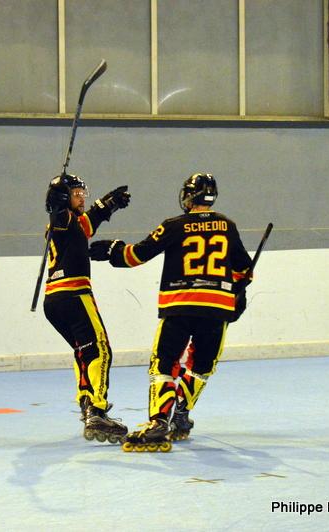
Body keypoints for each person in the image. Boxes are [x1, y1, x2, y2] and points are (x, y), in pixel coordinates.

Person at [89, 173, 253, 451]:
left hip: (179, 305)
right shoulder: (228, 225)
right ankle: (181, 414)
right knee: (201, 367)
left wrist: (113, 250)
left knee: (164, 364)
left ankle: (158, 422)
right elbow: (244, 271)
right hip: (216, 309)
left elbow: (137, 255)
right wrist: (238, 293)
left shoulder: (174, 225)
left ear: (188, 196)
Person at [42, 174, 131, 444]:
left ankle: (86, 402)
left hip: (54, 299)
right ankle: (97, 410)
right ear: (62, 198)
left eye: (83, 193)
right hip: (74, 294)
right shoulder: (62, 219)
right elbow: (63, 217)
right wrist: (58, 203)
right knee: (101, 350)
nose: (82, 198)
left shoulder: (72, 223)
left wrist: (108, 204)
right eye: (76, 194)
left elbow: (89, 223)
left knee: (84, 351)